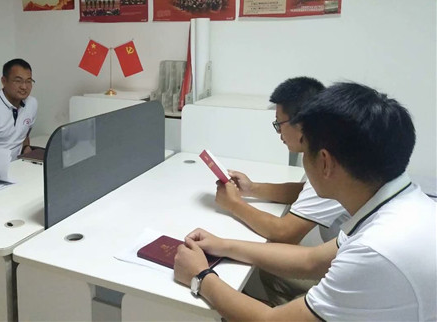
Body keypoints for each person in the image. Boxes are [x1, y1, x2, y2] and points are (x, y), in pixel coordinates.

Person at [174, 82, 436, 321]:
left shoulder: (375, 251)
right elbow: (310, 260)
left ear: (324, 162)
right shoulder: (398, 204)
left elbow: (272, 321)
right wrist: (222, 245)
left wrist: (200, 277)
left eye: (305, 149)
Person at [215, 77, 348, 305]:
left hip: (347, 278)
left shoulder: (330, 164)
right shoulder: (328, 147)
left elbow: (285, 234)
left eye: (279, 124)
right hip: (341, 259)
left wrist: (234, 204)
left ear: (300, 125)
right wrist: (252, 189)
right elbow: (307, 191)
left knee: (268, 265)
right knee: (269, 268)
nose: (278, 133)